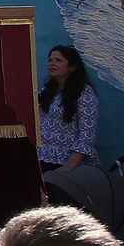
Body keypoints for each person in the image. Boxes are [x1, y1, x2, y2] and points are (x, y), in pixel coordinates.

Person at [39, 44, 99, 174]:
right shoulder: (46, 92)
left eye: (58, 60)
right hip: (41, 158)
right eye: (50, 60)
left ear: (72, 67)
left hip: (66, 162)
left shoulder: (84, 93)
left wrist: (69, 165)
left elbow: (87, 133)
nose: (52, 63)